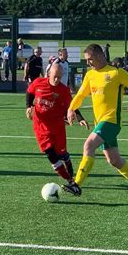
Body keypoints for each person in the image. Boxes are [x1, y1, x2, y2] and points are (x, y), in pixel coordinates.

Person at [63, 44, 128, 199]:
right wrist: (71, 109)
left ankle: (76, 185)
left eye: (90, 59)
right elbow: (80, 95)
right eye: (87, 60)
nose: (88, 63)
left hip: (111, 121)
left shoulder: (116, 72)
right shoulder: (90, 75)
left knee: (88, 145)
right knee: (114, 160)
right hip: (100, 123)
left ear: (99, 56)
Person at [26, 64, 89, 193]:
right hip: (40, 127)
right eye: (55, 77)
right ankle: (70, 180)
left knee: (61, 154)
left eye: (59, 77)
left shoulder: (63, 90)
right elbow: (30, 92)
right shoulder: (38, 83)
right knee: (51, 155)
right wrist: (28, 106)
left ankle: (66, 159)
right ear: (49, 74)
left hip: (57, 127)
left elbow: (72, 106)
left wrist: (80, 118)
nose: (57, 80)